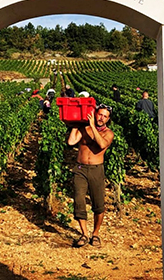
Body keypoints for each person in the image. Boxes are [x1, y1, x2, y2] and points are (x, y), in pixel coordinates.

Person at [66, 104, 114, 248]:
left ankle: (96, 234)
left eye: (105, 116)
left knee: (98, 204)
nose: (101, 118)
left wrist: (93, 126)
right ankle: (84, 234)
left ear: (108, 119)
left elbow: (101, 145)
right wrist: (76, 124)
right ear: (95, 114)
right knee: (79, 199)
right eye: (99, 114)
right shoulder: (84, 129)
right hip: (80, 168)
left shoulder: (108, 134)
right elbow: (71, 142)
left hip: (96, 170)